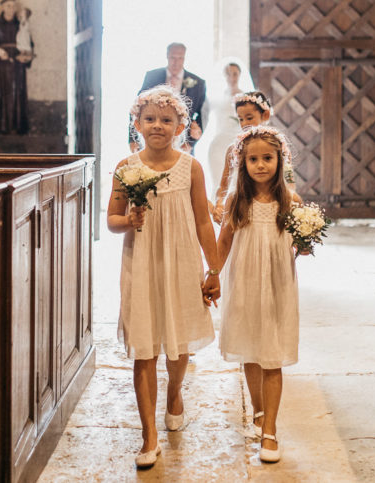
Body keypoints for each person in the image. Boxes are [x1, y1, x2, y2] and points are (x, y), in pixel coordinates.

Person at [107, 85, 223, 469]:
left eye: (167, 120)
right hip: (140, 263)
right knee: (144, 346)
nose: (158, 125)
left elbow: (204, 221)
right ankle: (148, 436)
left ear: (181, 127)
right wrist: (129, 220)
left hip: (182, 261)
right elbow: (112, 219)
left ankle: (175, 392)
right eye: (150, 118)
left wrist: (215, 268)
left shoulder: (191, 168)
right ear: (137, 123)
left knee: (179, 340)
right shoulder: (126, 167)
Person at [213, 125, 302, 464]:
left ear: (281, 161)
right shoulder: (238, 200)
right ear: (243, 163)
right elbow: (224, 242)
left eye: (268, 158)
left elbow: (298, 241)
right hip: (245, 280)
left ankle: (271, 431)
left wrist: (304, 244)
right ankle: (259, 410)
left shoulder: (289, 200)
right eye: (253, 159)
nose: (261, 165)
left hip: (278, 282)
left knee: (273, 353)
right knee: (251, 349)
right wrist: (212, 274)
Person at [129, 43, 206, 153]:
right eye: (173, 57)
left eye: (180, 58)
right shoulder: (152, 76)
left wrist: (191, 142)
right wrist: (132, 139)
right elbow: (137, 106)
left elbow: (201, 115)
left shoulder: (198, 83)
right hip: (153, 137)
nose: (176, 62)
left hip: (183, 142)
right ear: (167, 56)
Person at [210, 90, 273, 224]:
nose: (244, 123)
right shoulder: (233, 149)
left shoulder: (277, 148)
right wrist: (220, 202)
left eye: (249, 118)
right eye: (240, 119)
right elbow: (223, 186)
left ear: (265, 115)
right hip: (241, 208)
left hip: (270, 208)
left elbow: (289, 182)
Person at [202, 58, 253, 192]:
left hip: (237, 141)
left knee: (236, 179)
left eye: (235, 74)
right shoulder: (217, 97)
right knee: (218, 178)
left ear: (240, 75)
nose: (231, 77)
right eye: (228, 74)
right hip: (218, 142)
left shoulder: (246, 98)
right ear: (224, 76)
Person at [0, 0, 33, 134]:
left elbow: (29, 43)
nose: (11, 9)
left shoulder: (21, 24)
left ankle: (17, 129)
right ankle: (0, 128)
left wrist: (26, 57)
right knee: (1, 93)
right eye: (8, 6)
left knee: (18, 93)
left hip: (18, 66)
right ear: (2, 7)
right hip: (1, 66)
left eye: (13, 6)